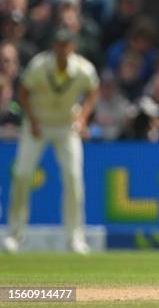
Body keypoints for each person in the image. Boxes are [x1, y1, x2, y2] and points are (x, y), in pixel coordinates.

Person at [2, 29, 99, 254]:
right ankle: (14, 235)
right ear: (53, 46)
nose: (62, 49)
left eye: (66, 45)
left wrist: (83, 117)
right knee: (22, 175)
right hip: (38, 124)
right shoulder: (39, 66)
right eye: (58, 44)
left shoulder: (83, 69)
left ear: (72, 47)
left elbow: (93, 90)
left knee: (73, 177)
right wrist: (33, 120)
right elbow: (23, 92)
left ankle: (74, 238)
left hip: (66, 126)